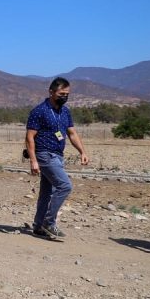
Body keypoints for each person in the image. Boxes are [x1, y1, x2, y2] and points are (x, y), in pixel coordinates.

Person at [25, 77, 89, 241]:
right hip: (45, 154)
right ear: (51, 92)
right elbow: (30, 137)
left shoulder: (65, 111)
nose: (64, 96)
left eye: (67, 94)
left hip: (58, 156)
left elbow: (72, 133)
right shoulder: (39, 111)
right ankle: (49, 222)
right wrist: (33, 160)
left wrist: (82, 151)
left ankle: (39, 226)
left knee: (47, 192)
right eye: (61, 93)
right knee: (65, 186)